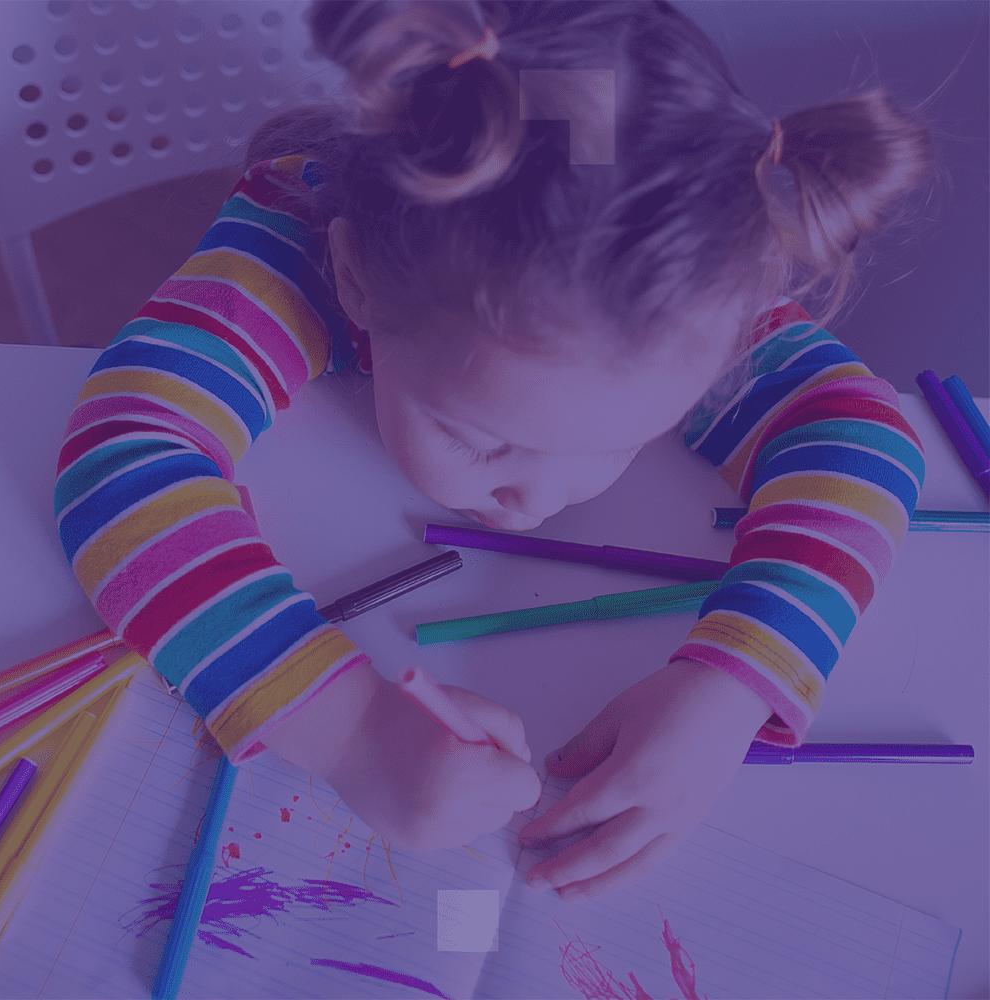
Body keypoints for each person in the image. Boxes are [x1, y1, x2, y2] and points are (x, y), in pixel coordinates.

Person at [52, 0, 936, 902]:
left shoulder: (682, 283)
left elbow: (857, 437)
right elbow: (123, 460)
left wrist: (737, 685)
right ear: (355, 277)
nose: (538, 502)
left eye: (619, 442)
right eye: (481, 442)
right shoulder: (299, 239)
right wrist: (347, 729)